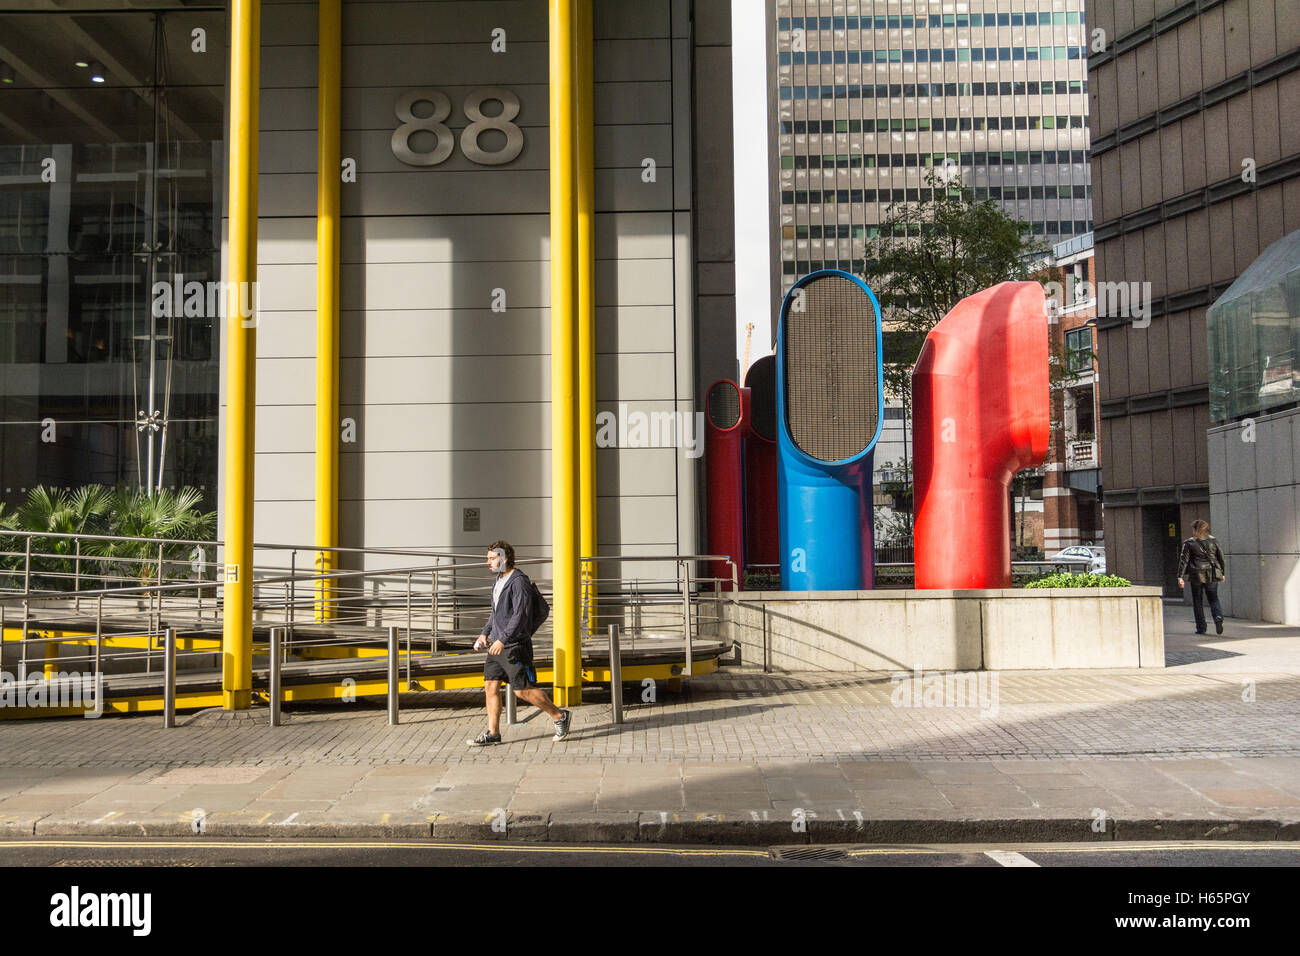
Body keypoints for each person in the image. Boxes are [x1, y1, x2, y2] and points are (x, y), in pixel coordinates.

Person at [468, 540, 572, 745]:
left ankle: (560, 715)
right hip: (496, 646)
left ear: (504, 558)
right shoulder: (498, 580)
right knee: (490, 686)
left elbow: (520, 615)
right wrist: (484, 634)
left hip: (515, 646)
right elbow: (496, 613)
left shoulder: (519, 582)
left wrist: (503, 639)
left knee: (522, 690)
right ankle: (493, 733)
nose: (488, 562)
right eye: (487, 558)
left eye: (492, 558)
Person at [1177, 519, 1227, 635]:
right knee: (1213, 598)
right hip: (1212, 574)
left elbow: (1183, 561)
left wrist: (1180, 577)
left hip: (1196, 575)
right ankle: (1218, 617)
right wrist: (1222, 573)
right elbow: (1221, 558)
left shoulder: (1189, 543)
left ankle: (1201, 628)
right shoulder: (1213, 541)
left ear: (1195, 529)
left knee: (1197, 601)